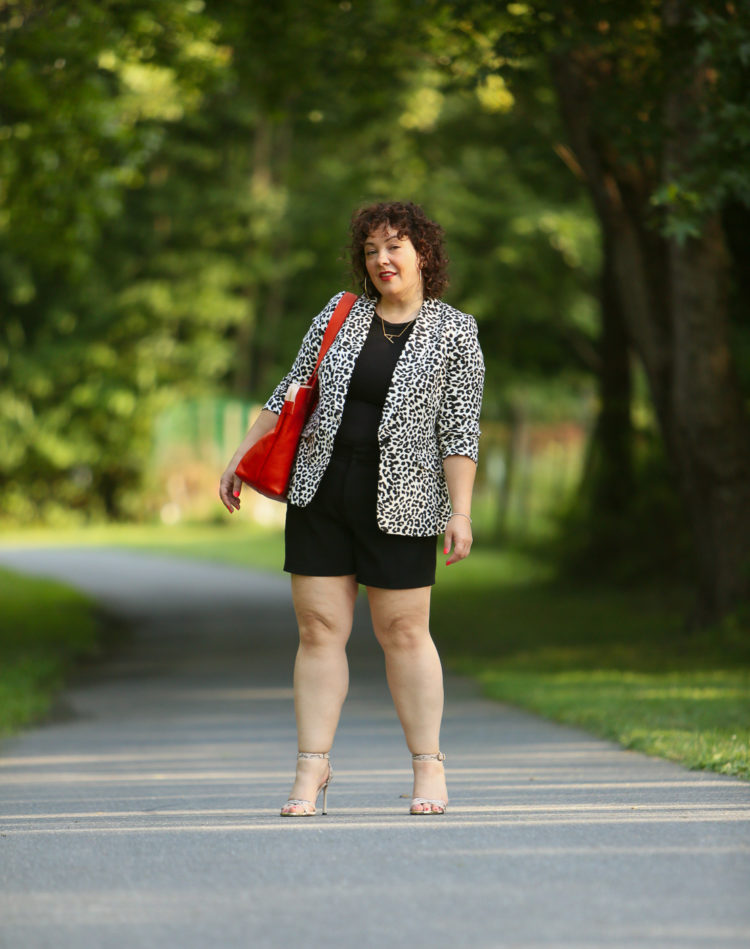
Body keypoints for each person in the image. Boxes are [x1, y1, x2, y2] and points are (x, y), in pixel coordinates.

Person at [219, 201, 484, 816]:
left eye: (394, 246)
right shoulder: (339, 315)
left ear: (424, 253)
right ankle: (312, 768)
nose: (382, 259)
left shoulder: (455, 331)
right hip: (322, 491)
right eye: (371, 250)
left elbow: (460, 432)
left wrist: (460, 511)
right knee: (317, 631)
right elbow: (287, 393)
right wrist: (239, 455)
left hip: (406, 501)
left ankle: (429, 766)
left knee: (405, 633)